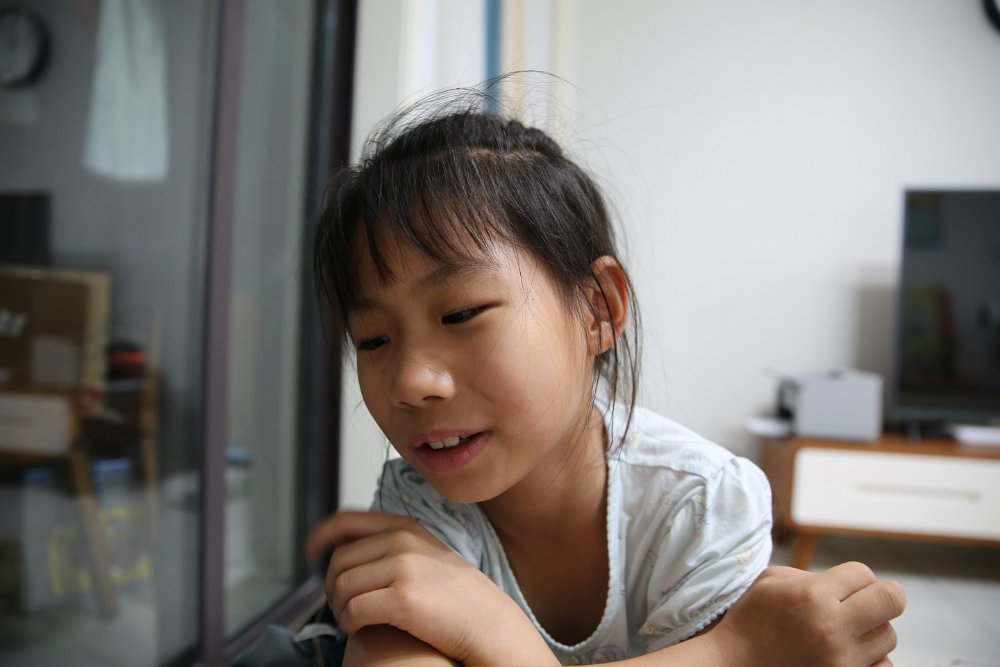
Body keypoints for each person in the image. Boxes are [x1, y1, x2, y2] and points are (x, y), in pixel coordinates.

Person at [302, 84, 905, 666]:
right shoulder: (418, 503)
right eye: (373, 340)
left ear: (597, 309)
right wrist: (737, 653)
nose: (411, 381)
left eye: (461, 314)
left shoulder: (700, 505)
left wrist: (490, 632)